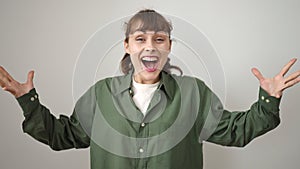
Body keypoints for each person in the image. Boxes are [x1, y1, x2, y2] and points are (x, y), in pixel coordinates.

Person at [0, 9, 299, 169]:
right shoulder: (99, 94)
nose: (150, 47)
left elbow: (237, 131)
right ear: (127, 46)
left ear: (169, 47)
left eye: (159, 39)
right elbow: (62, 135)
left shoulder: (193, 93)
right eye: (140, 38)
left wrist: (268, 100)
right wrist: (27, 101)